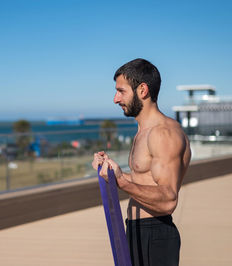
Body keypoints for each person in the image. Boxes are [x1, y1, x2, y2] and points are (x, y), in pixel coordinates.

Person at [92, 58, 191, 266]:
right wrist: (113, 174)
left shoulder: (163, 134)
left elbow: (168, 200)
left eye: (121, 91)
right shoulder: (143, 132)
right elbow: (147, 181)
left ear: (142, 90)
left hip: (155, 235)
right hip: (137, 230)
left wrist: (122, 182)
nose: (115, 99)